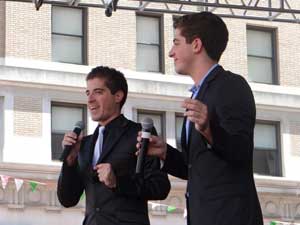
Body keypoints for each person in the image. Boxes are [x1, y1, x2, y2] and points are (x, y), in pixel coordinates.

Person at [137, 12, 263, 225]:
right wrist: (164, 153)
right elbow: (196, 168)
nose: (170, 52)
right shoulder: (198, 94)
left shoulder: (231, 86)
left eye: (176, 43)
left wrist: (209, 129)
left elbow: (241, 151)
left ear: (196, 45)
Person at [57, 66, 170, 225]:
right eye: (88, 93)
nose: (90, 100)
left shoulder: (139, 133)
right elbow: (67, 199)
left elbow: (160, 187)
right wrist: (69, 162)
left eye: (98, 92)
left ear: (118, 96)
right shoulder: (85, 144)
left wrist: (117, 182)